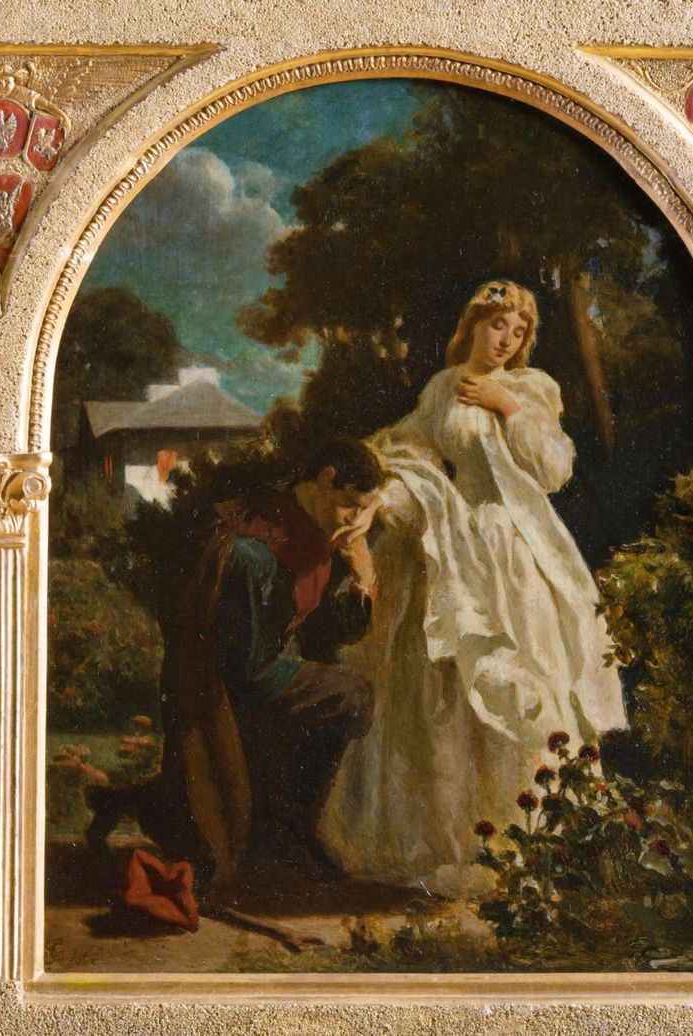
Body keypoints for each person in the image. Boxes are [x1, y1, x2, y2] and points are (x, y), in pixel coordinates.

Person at [318, 280, 628, 895]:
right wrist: (378, 502)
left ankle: (534, 837)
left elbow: (554, 470)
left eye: (518, 331)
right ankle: (455, 837)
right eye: (496, 325)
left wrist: (507, 405)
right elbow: (407, 460)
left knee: (526, 672)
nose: (506, 340)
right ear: (474, 325)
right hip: (462, 538)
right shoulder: (442, 388)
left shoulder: (532, 388)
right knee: (446, 687)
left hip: (518, 545)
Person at [85, 439, 384, 896]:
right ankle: (291, 835)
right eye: (351, 505)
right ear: (324, 480)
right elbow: (246, 670)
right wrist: (314, 679)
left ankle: (125, 801)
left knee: (333, 699)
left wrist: (364, 578)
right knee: (349, 696)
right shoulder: (255, 538)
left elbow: (330, 632)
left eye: (363, 510)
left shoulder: (318, 534)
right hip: (221, 683)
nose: (355, 520)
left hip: (251, 674)